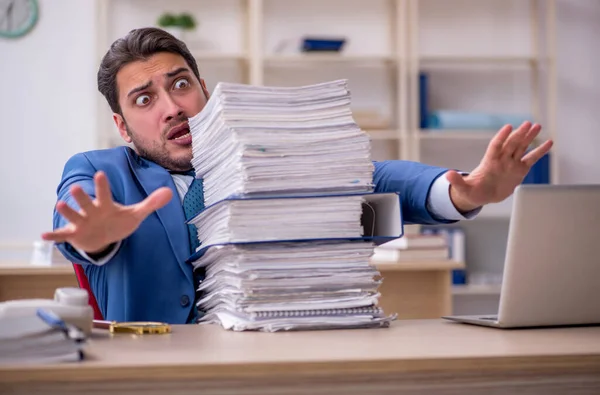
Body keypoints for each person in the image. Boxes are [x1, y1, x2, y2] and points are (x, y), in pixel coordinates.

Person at [42, 28, 552, 324]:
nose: (173, 107)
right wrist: (93, 238)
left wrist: (461, 191)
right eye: (145, 99)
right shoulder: (99, 171)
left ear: (204, 87)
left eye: (180, 84)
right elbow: (82, 210)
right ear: (122, 125)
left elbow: (374, 177)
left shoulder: (267, 153)